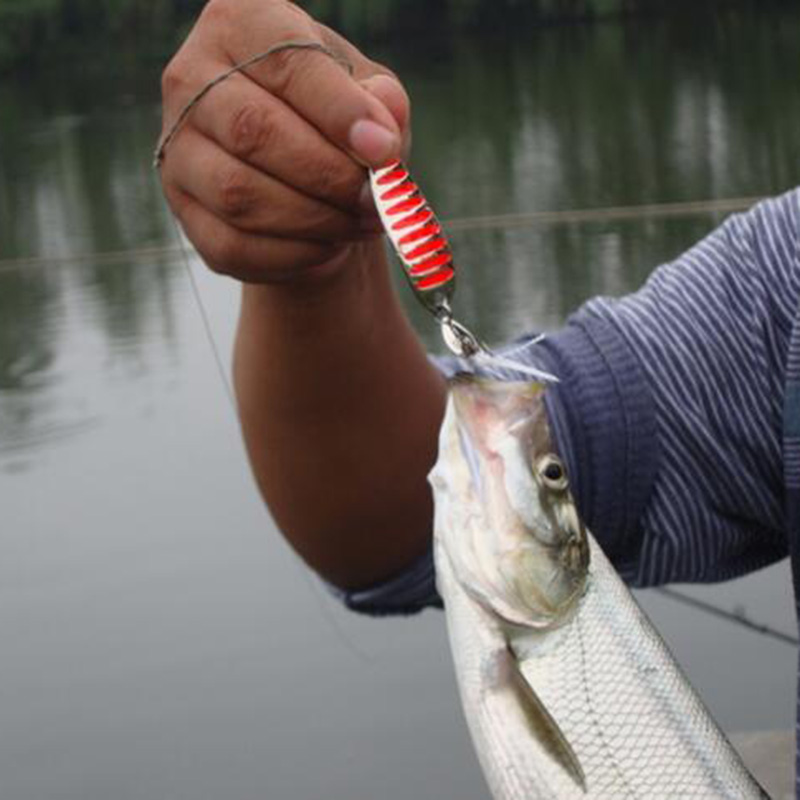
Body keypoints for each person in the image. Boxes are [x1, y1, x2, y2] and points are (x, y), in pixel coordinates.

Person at [157, 0, 799, 785]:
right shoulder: (782, 286)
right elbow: (382, 531)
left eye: (548, 473)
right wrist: (314, 267)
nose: (532, 450)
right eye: (551, 474)